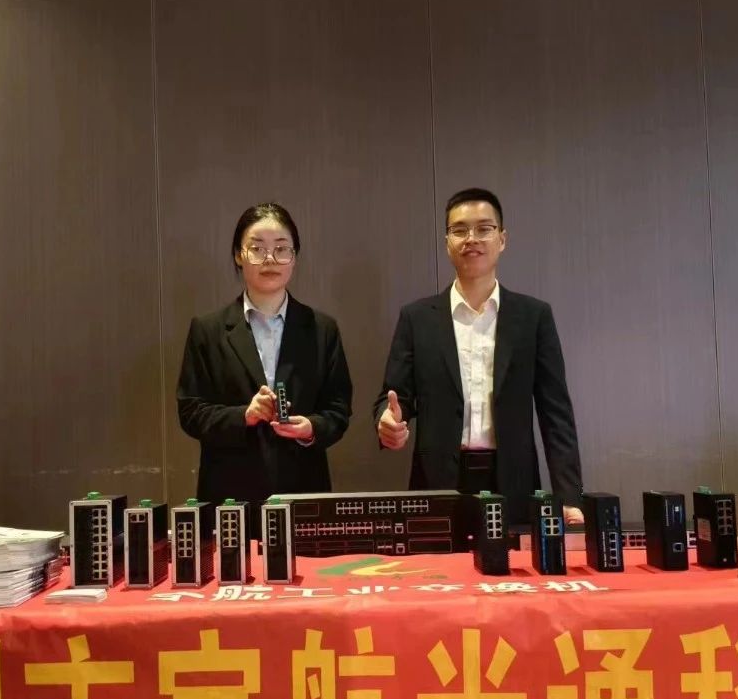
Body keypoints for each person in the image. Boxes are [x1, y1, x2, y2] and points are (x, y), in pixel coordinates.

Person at [374, 187, 583, 525]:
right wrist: (388, 421)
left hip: (514, 486)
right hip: (438, 485)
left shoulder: (533, 317)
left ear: (502, 239)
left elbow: (556, 413)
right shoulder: (417, 318)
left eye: (484, 228)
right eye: (460, 230)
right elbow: (395, 397)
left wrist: (569, 496)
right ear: (447, 242)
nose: (471, 239)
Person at [177, 203, 352, 523]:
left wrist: (310, 429)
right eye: (257, 248)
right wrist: (243, 415)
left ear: (294, 257)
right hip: (229, 498)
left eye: (282, 249)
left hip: (303, 495)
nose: (270, 258)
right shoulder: (208, 330)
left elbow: (338, 410)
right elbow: (190, 412)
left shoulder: (322, 329)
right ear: (238, 255)